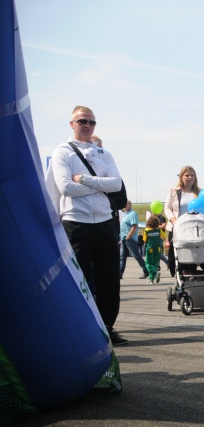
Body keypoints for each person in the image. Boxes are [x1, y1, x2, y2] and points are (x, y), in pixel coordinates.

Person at [47, 105, 127, 345]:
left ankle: (107, 327)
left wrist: (84, 179)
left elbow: (116, 185)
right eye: (83, 121)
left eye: (92, 122)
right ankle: (77, 328)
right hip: (76, 223)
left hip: (104, 222)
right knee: (77, 279)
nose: (88, 126)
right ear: (72, 124)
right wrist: (100, 184)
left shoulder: (104, 154)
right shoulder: (63, 152)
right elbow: (65, 188)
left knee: (109, 280)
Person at [164, 166, 199, 277]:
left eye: (192, 175)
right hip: (177, 227)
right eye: (187, 175)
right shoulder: (174, 191)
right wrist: (174, 220)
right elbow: (167, 208)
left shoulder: (199, 192)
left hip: (193, 228)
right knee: (178, 254)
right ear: (181, 177)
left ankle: (192, 273)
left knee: (192, 253)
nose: (190, 177)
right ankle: (179, 274)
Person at [119, 200, 148, 280]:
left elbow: (134, 226)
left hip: (130, 238)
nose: (124, 206)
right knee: (122, 256)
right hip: (123, 237)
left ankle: (146, 271)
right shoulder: (125, 215)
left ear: (130, 205)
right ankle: (120, 273)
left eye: (126, 204)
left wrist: (129, 236)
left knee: (136, 255)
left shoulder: (132, 214)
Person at [142, 215, 165, 284]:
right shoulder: (159, 230)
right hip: (158, 249)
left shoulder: (146, 231)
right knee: (154, 264)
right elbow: (164, 237)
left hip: (150, 249)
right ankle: (151, 279)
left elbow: (145, 240)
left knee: (148, 263)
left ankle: (155, 272)